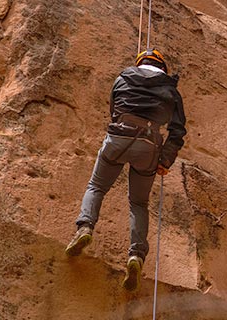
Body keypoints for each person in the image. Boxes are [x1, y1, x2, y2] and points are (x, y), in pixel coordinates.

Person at [65, 49, 186, 292]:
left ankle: (85, 228)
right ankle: (136, 256)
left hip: (119, 136)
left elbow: (113, 109)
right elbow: (177, 130)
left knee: (97, 186)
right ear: (162, 67)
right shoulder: (171, 91)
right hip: (149, 145)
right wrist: (165, 159)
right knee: (138, 203)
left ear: (140, 62)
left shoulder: (122, 78)